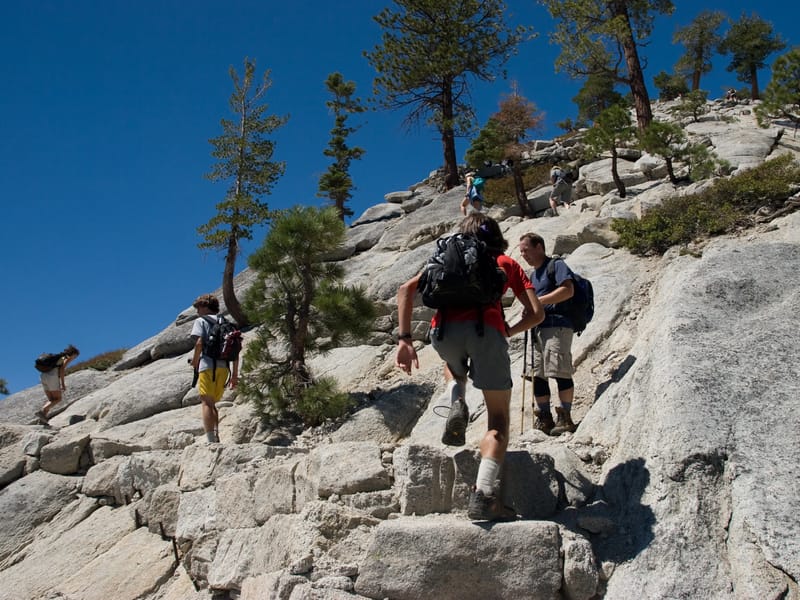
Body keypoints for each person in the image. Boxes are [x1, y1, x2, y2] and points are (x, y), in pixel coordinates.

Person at [395, 213, 545, 521]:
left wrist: (405, 340)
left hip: (444, 332)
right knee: (498, 421)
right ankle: (484, 496)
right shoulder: (505, 262)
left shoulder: (445, 259)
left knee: (453, 367)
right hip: (486, 332)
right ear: (496, 236)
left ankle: (457, 398)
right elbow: (537, 313)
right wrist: (508, 330)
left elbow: (405, 290)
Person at [518, 233, 578, 436]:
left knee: (559, 370)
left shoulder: (557, 265)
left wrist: (539, 302)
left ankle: (565, 416)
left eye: (526, 250)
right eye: (521, 251)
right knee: (537, 375)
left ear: (539, 247)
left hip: (557, 325)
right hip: (538, 330)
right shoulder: (533, 275)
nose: (523, 254)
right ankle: (545, 417)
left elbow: (568, 291)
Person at [190, 293, 239, 443]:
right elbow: (236, 349)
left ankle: (211, 440)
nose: (197, 311)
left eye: (198, 307)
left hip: (207, 366)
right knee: (213, 404)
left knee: (206, 403)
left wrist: (195, 361)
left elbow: (199, 343)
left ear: (205, 307)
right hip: (224, 368)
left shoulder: (201, 321)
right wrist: (234, 375)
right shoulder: (226, 322)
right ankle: (216, 434)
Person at [37, 345, 80, 421]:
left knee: (51, 400)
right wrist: (62, 383)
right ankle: (42, 410)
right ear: (73, 354)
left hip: (43, 376)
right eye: (75, 356)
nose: (74, 358)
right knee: (58, 399)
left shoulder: (58, 357)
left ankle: (42, 419)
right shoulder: (66, 358)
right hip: (52, 376)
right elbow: (62, 370)